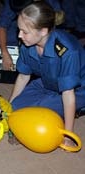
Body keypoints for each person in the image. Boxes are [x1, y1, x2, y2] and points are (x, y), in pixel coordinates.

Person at [8, 2, 85, 145]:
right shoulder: (27, 43)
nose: (19, 35)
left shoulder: (67, 51)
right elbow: (23, 76)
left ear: (43, 31)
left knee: (35, 111)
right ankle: (51, 108)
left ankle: (69, 111)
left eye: (25, 31)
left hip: (78, 90)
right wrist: (9, 106)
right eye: (19, 30)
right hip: (48, 81)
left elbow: (68, 94)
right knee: (15, 108)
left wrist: (68, 135)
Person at [0, 0, 63, 70]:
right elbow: (2, 25)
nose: (19, 35)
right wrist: (5, 53)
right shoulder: (12, 2)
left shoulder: (50, 4)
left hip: (43, 30)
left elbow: (54, 30)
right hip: (21, 25)